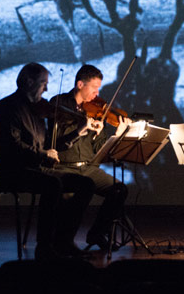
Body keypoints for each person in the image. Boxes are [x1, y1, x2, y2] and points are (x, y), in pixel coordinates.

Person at [0, 62, 97, 261]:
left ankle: (63, 241)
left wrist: (77, 132)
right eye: (43, 83)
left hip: (35, 168)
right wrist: (42, 155)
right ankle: (44, 247)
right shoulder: (8, 106)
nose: (47, 89)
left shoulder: (39, 109)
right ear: (29, 82)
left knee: (85, 184)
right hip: (14, 171)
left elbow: (49, 144)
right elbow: (12, 146)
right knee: (53, 184)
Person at [48, 64, 132, 252]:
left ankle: (97, 233)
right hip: (64, 167)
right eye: (94, 88)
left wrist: (105, 135)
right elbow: (56, 143)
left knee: (119, 189)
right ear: (80, 84)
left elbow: (97, 150)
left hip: (88, 167)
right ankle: (65, 241)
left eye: (98, 89)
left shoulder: (95, 110)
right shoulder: (58, 105)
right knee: (84, 187)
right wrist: (80, 130)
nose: (97, 94)